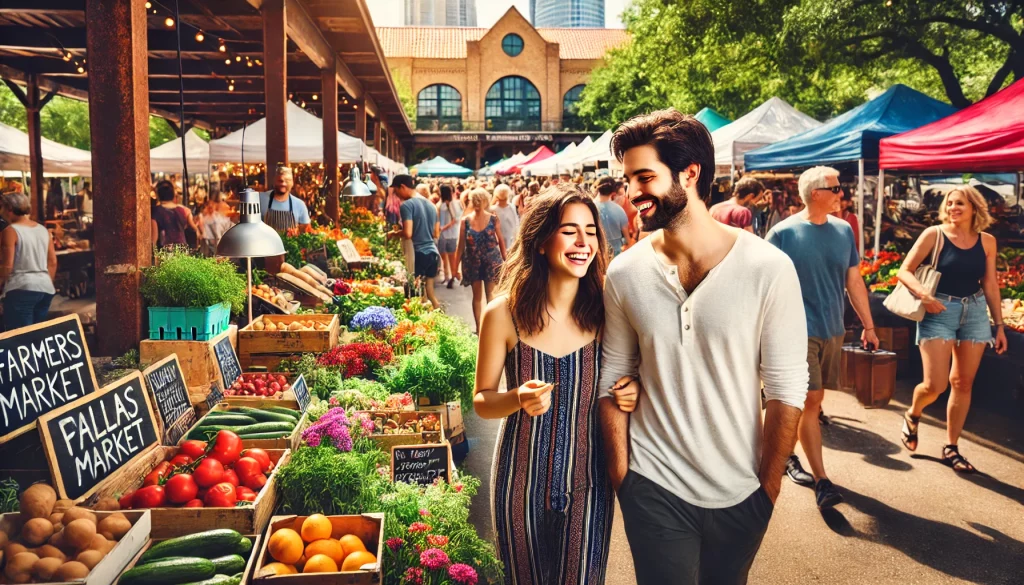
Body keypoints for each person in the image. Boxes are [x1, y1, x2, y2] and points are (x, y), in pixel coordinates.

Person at [599, 109, 808, 585]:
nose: (633, 193)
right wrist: (623, 477)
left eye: (645, 177)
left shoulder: (768, 268)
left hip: (742, 491)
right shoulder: (625, 273)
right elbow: (613, 373)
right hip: (654, 485)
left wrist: (768, 485)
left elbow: (787, 386)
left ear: (690, 172)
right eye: (628, 179)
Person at [474, 184, 637, 585]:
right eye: (568, 230)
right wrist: (515, 398)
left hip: (590, 479)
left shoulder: (607, 311)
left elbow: (628, 379)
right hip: (519, 480)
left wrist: (631, 390)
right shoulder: (503, 313)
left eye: (590, 231)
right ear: (543, 240)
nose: (583, 242)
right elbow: (481, 400)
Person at [766, 167, 879, 508]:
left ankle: (783, 453)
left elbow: (854, 282)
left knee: (810, 404)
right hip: (796, 333)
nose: (841, 194)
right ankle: (822, 481)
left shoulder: (844, 230)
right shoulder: (782, 233)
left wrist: (869, 327)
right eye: (836, 188)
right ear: (816, 193)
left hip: (833, 330)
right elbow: (763, 288)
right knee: (812, 402)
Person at [897, 186, 1007, 473]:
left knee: (963, 383)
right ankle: (913, 413)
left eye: (960, 203)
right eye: (950, 203)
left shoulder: (987, 242)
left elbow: (990, 284)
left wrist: (999, 326)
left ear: (974, 208)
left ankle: (951, 447)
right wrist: (925, 295)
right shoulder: (934, 234)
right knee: (936, 385)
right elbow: (904, 270)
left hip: (974, 311)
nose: (953, 208)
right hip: (938, 311)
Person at [0, 193, 56, 330]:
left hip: (21, 288)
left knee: (20, 337)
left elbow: (7, 265)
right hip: (45, 289)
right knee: (36, 336)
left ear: (9, 209)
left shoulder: (10, 231)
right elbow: (52, 262)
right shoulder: (43, 230)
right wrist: (45, 283)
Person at [454, 188, 506, 332]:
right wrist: (505, 260)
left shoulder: (466, 221)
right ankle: (491, 327)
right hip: (491, 261)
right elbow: (500, 240)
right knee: (491, 295)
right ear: (486, 200)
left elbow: (460, 246)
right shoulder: (493, 218)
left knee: (477, 297)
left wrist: (455, 268)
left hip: (473, 262)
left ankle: (479, 329)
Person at [389, 174, 441, 309]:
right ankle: (437, 316)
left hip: (418, 253)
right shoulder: (431, 205)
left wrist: (393, 234)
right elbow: (436, 233)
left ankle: (420, 323)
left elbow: (408, 233)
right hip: (433, 253)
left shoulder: (406, 205)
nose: (396, 195)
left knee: (415, 294)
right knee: (429, 293)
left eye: (396, 191)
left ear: (403, 187)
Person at [259, 166, 311, 233]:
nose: (283, 184)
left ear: (292, 183)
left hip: (290, 243)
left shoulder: (299, 204)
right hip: (265, 243)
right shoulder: (260, 199)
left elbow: (306, 231)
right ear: (274, 181)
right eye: (280, 181)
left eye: (287, 181)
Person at [151, 180, 199, 248]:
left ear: (158, 195)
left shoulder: (155, 211)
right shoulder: (184, 210)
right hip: (182, 247)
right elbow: (194, 229)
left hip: (165, 249)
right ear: (173, 194)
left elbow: (154, 237)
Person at [594, 177, 632, 257]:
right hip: (616, 252)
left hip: (597, 250)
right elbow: (626, 236)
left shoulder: (590, 207)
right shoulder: (619, 209)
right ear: (613, 191)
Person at [437, 184, 463, 289]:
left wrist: (443, 228)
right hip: (446, 234)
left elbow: (455, 220)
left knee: (451, 257)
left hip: (448, 233)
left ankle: (452, 276)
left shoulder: (450, 204)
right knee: (445, 256)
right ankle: (448, 276)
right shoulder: (443, 203)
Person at [490, 183, 519, 252]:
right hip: (503, 240)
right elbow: (516, 223)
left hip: (508, 240)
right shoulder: (493, 209)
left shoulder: (493, 208)